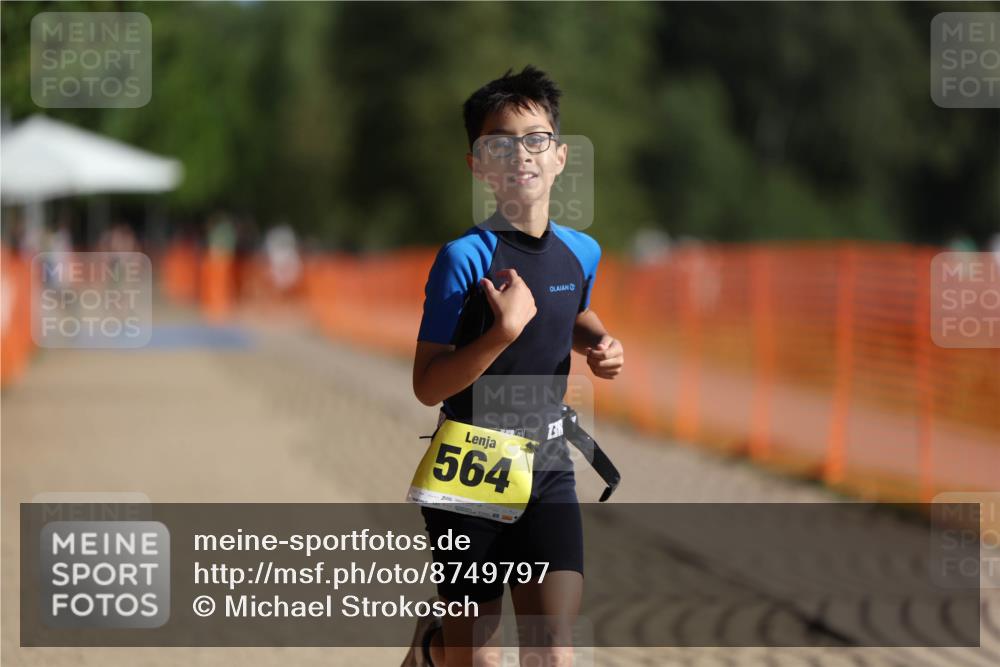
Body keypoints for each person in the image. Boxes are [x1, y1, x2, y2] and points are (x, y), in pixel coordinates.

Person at [403, 66, 624, 667]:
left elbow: (566, 312)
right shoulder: (462, 258)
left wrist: (600, 341)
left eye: (535, 139)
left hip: (550, 464)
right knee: (476, 656)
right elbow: (428, 385)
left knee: (553, 649)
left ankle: (439, 638)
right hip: (470, 464)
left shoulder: (582, 251)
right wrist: (501, 333)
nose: (520, 154)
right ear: (478, 165)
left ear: (558, 156)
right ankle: (437, 643)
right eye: (498, 143)